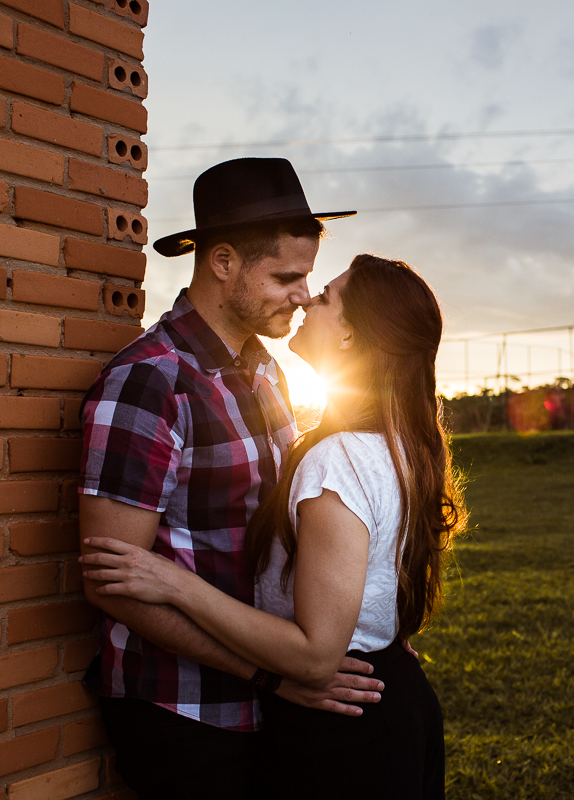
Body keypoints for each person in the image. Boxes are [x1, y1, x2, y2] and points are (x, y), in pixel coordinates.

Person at [81, 254, 468, 799]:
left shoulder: (338, 458)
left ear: (350, 337)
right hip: (382, 697)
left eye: (324, 295)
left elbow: (315, 656)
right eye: (293, 279)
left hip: (345, 716)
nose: (307, 298)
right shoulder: (396, 443)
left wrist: (174, 582)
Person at [79, 158, 383, 800]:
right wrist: (269, 674)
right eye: (286, 277)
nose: (303, 295)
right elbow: (114, 584)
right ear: (222, 263)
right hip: (182, 711)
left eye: (307, 277)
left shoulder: (266, 371)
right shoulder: (150, 382)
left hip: (270, 694)